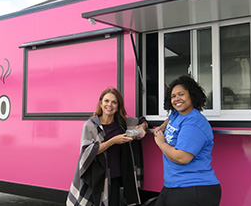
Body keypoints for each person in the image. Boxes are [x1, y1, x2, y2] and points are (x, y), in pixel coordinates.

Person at [66, 87, 148, 206]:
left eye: (114, 102)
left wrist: (143, 127)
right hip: (97, 177)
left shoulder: (122, 123)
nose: (110, 105)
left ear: (118, 106)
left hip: (115, 176)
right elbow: (87, 152)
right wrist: (112, 141)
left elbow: (142, 121)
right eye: (106, 101)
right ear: (101, 103)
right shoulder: (91, 125)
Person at [153, 75, 221, 206]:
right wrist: (162, 126)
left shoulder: (194, 123)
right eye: (173, 96)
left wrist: (161, 142)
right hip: (174, 184)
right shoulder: (177, 114)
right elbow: (170, 119)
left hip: (194, 187)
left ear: (192, 95)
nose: (176, 99)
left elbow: (182, 157)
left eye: (181, 94)